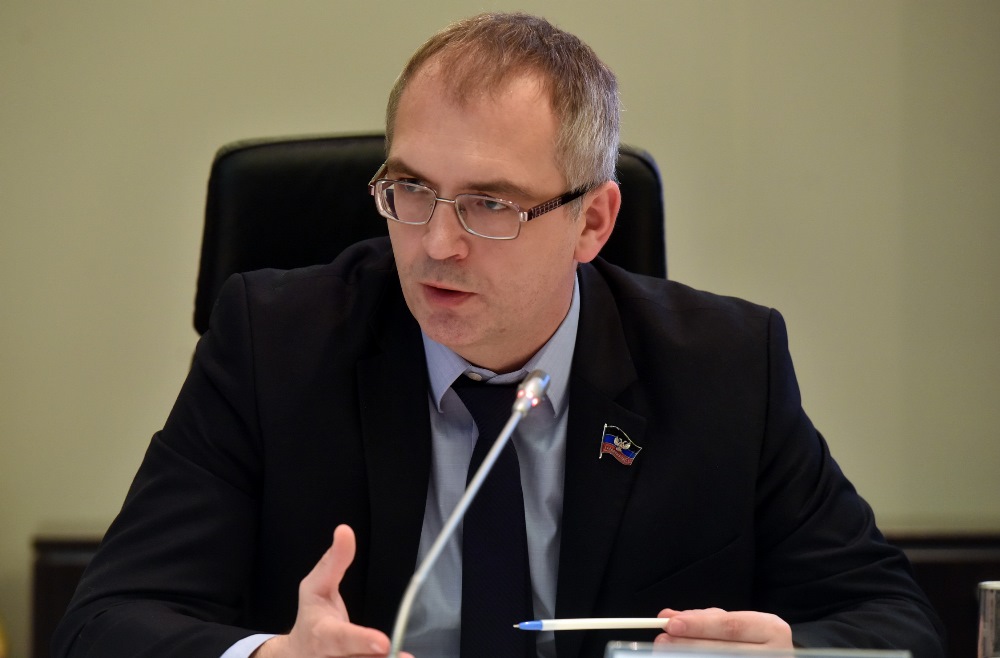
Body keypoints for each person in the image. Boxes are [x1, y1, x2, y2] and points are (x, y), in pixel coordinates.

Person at [53, 11, 945, 658]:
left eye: (490, 204)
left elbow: (892, 621)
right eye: (410, 190)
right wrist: (268, 657)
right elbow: (106, 621)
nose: (436, 243)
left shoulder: (725, 369)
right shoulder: (273, 346)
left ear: (592, 223)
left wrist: (790, 651)